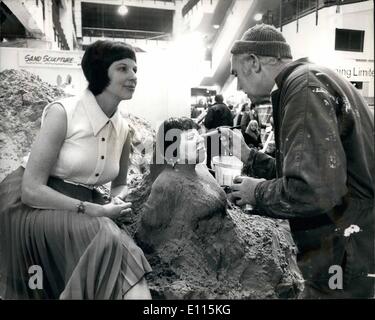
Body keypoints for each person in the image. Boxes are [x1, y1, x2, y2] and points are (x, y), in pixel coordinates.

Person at [220, 24, 374, 298]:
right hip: (350, 240)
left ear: (253, 62)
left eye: (237, 74)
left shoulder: (303, 89)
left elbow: (313, 191)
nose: (239, 85)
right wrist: (250, 158)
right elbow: (320, 169)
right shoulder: (312, 78)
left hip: (342, 247)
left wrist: (256, 192)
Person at [0, 40, 152, 299]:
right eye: (123, 69)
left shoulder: (124, 128)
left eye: (135, 69)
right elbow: (31, 190)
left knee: (119, 245)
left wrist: (117, 199)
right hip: (33, 205)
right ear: (101, 72)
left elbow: (120, 183)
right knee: (107, 237)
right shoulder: (63, 112)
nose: (133, 77)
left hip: (86, 204)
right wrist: (94, 210)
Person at [204, 94, 233, 169]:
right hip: (225, 132)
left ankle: (209, 166)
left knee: (210, 150)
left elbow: (207, 122)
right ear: (223, 100)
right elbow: (231, 123)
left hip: (213, 132)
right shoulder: (228, 109)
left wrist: (209, 128)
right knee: (222, 151)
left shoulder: (212, 108)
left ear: (215, 100)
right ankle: (220, 166)